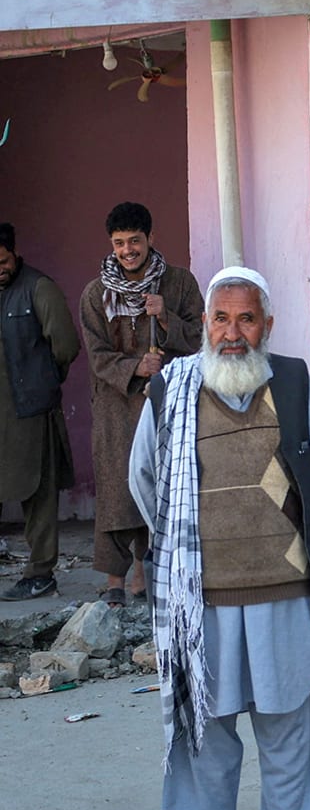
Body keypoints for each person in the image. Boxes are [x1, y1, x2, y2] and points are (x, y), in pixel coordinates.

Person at [129, 267, 310, 810]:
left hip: (284, 596)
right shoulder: (172, 389)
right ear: (206, 325)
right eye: (222, 319)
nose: (233, 333)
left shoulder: (298, 385)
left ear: (267, 327)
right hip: (203, 605)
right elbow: (146, 479)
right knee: (209, 738)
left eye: (247, 320)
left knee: (288, 731)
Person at [81, 202, 204, 605]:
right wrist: (136, 366)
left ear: (151, 239)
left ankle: (145, 571)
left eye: (135, 241)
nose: (127, 250)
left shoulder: (180, 283)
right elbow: (97, 356)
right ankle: (114, 579)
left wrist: (165, 317)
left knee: (159, 484)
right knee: (118, 488)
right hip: (116, 406)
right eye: (119, 243)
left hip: (165, 401)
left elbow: (201, 339)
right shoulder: (96, 294)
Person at [0, 223, 80, 602]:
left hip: (31, 409)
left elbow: (65, 344)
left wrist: (44, 381)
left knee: (39, 493)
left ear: (14, 254)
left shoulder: (38, 288)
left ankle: (40, 573)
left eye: (2, 260)